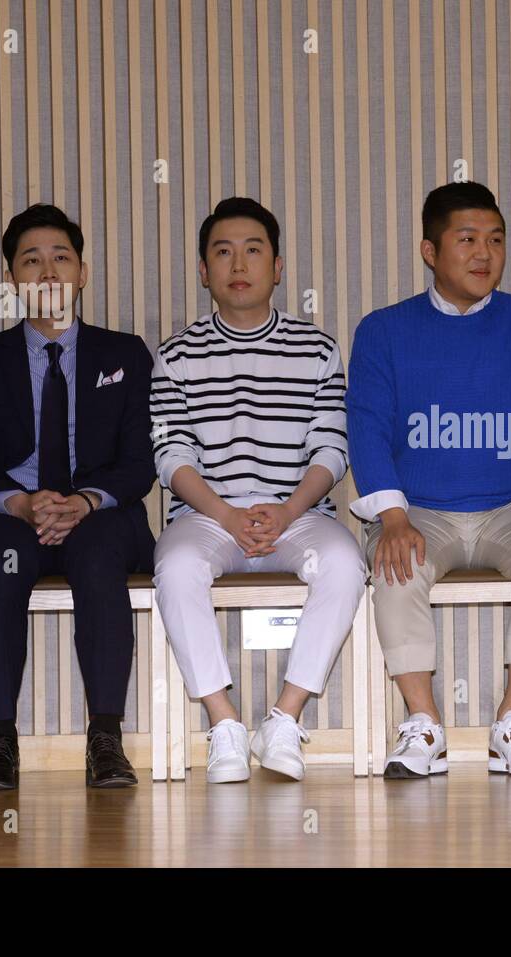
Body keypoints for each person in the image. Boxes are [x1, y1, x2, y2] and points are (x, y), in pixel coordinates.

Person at [346, 181, 511, 778]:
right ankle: (423, 724)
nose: (484, 254)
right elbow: (367, 428)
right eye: (467, 240)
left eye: (496, 241)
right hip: (419, 509)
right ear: (430, 251)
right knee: (395, 565)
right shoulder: (383, 329)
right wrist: (392, 518)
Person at [150, 197, 364, 783]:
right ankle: (225, 725)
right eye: (222, 252)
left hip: (296, 514)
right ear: (204, 270)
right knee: (174, 567)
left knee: (345, 562)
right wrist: (225, 513)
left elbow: (330, 450)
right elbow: (171, 457)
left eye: (252, 250)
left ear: (278, 266)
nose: (237, 263)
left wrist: (288, 508)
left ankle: (284, 720)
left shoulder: (318, 350)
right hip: (206, 516)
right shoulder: (174, 356)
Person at [0, 203, 157, 790]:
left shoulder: (125, 354)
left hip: (100, 515)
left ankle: (106, 738)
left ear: (82, 272)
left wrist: (85, 501)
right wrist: (19, 503)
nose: (47, 271)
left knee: (97, 561)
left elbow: (141, 463)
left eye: (60, 257)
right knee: (5, 568)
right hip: (15, 516)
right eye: (30, 260)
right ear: (11, 277)